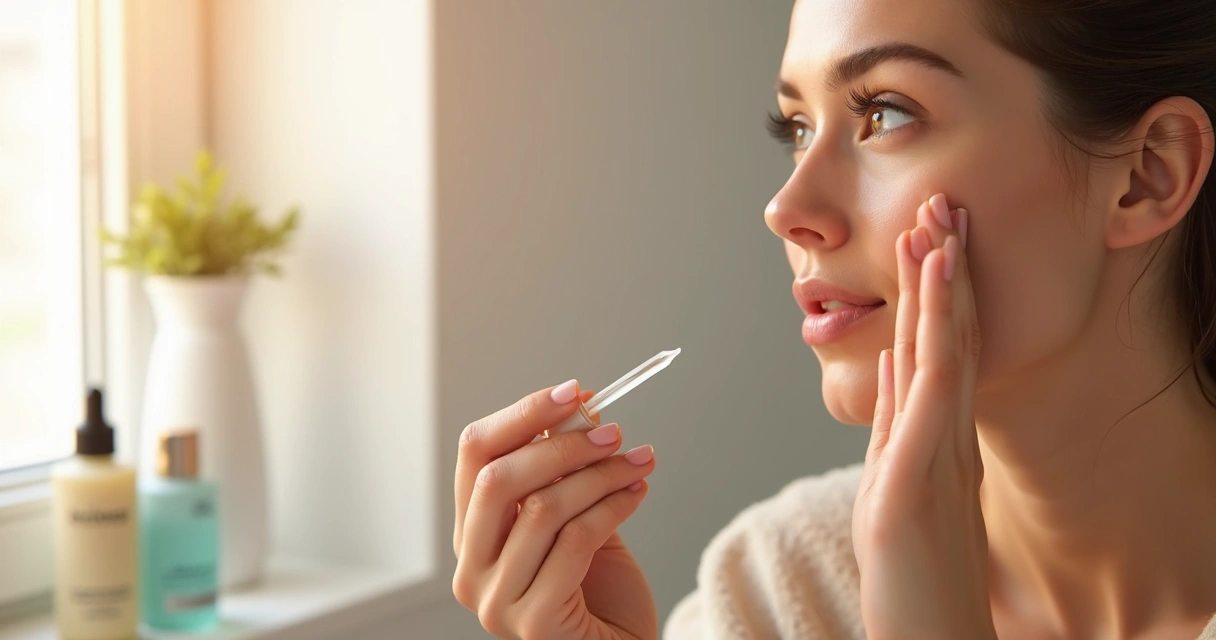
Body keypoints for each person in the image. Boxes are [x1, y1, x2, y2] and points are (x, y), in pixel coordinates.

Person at [450, 0, 1216, 636]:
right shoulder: (773, 593)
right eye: (798, 129)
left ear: (1149, 173)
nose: (787, 211)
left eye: (884, 114)